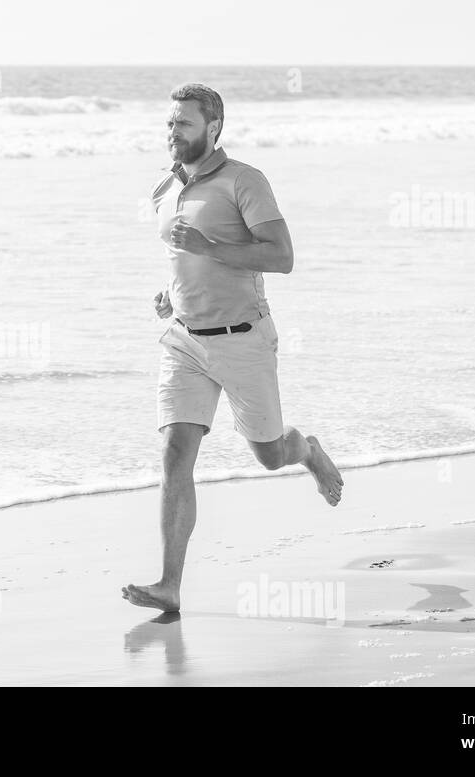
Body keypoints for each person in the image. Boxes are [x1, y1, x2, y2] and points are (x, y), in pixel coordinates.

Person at [122, 83, 344, 613]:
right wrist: (170, 294)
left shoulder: (246, 181)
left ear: (214, 127)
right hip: (183, 341)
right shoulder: (165, 188)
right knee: (175, 452)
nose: (172, 132)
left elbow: (282, 256)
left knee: (269, 455)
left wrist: (210, 246)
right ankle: (169, 585)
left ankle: (307, 450)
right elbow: (181, 260)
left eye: (184, 124)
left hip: (243, 339)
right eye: (170, 123)